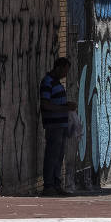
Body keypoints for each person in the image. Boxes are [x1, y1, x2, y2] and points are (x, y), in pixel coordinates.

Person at [40, 58, 76, 196]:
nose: (66, 74)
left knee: (59, 155)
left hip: (61, 125)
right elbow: (45, 104)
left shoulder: (57, 83)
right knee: (51, 155)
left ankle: (56, 184)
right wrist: (64, 108)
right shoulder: (47, 82)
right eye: (65, 70)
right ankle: (48, 185)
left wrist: (67, 106)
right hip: (53, 125)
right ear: (59, 68)